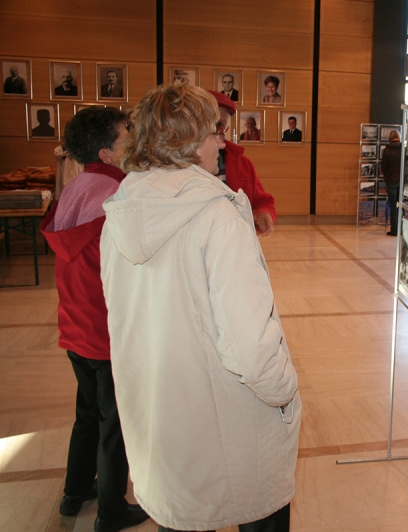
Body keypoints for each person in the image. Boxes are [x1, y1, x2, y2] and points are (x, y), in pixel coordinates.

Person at [100, 83, 300, 531]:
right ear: (186, 142)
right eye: (213, 133)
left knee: (185, 514)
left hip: (164, 422)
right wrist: (285, 392)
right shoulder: (218, 216)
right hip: (231, 427)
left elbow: (124, 323)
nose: (222, 142)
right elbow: (251, 349)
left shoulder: (119, 214)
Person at [41, 107, 150, 532]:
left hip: (74, 326)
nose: (134, 138)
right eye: (127, 133)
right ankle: (111, 511)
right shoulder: (115, 195)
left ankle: (74, 493)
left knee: (88, 414)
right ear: (107, 152)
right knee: (114, 425)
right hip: (106, 331)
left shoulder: (75, 187)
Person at [210, 90, 276, 236]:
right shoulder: (179, 165)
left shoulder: (242, 162)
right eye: (211, 123)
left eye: (220, 125)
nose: (216, 131)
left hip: (236, 244)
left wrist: (264, 213)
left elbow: (263, 200)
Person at [381, 130, 401, 236]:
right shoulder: (403, 149)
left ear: (390, 137)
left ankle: (394, 230)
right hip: (401, 181)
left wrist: (387, 175)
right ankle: (402, 228)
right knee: (401, 205)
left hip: (391, 181)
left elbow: (383, 167)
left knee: (393, 205)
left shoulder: (387, 150)